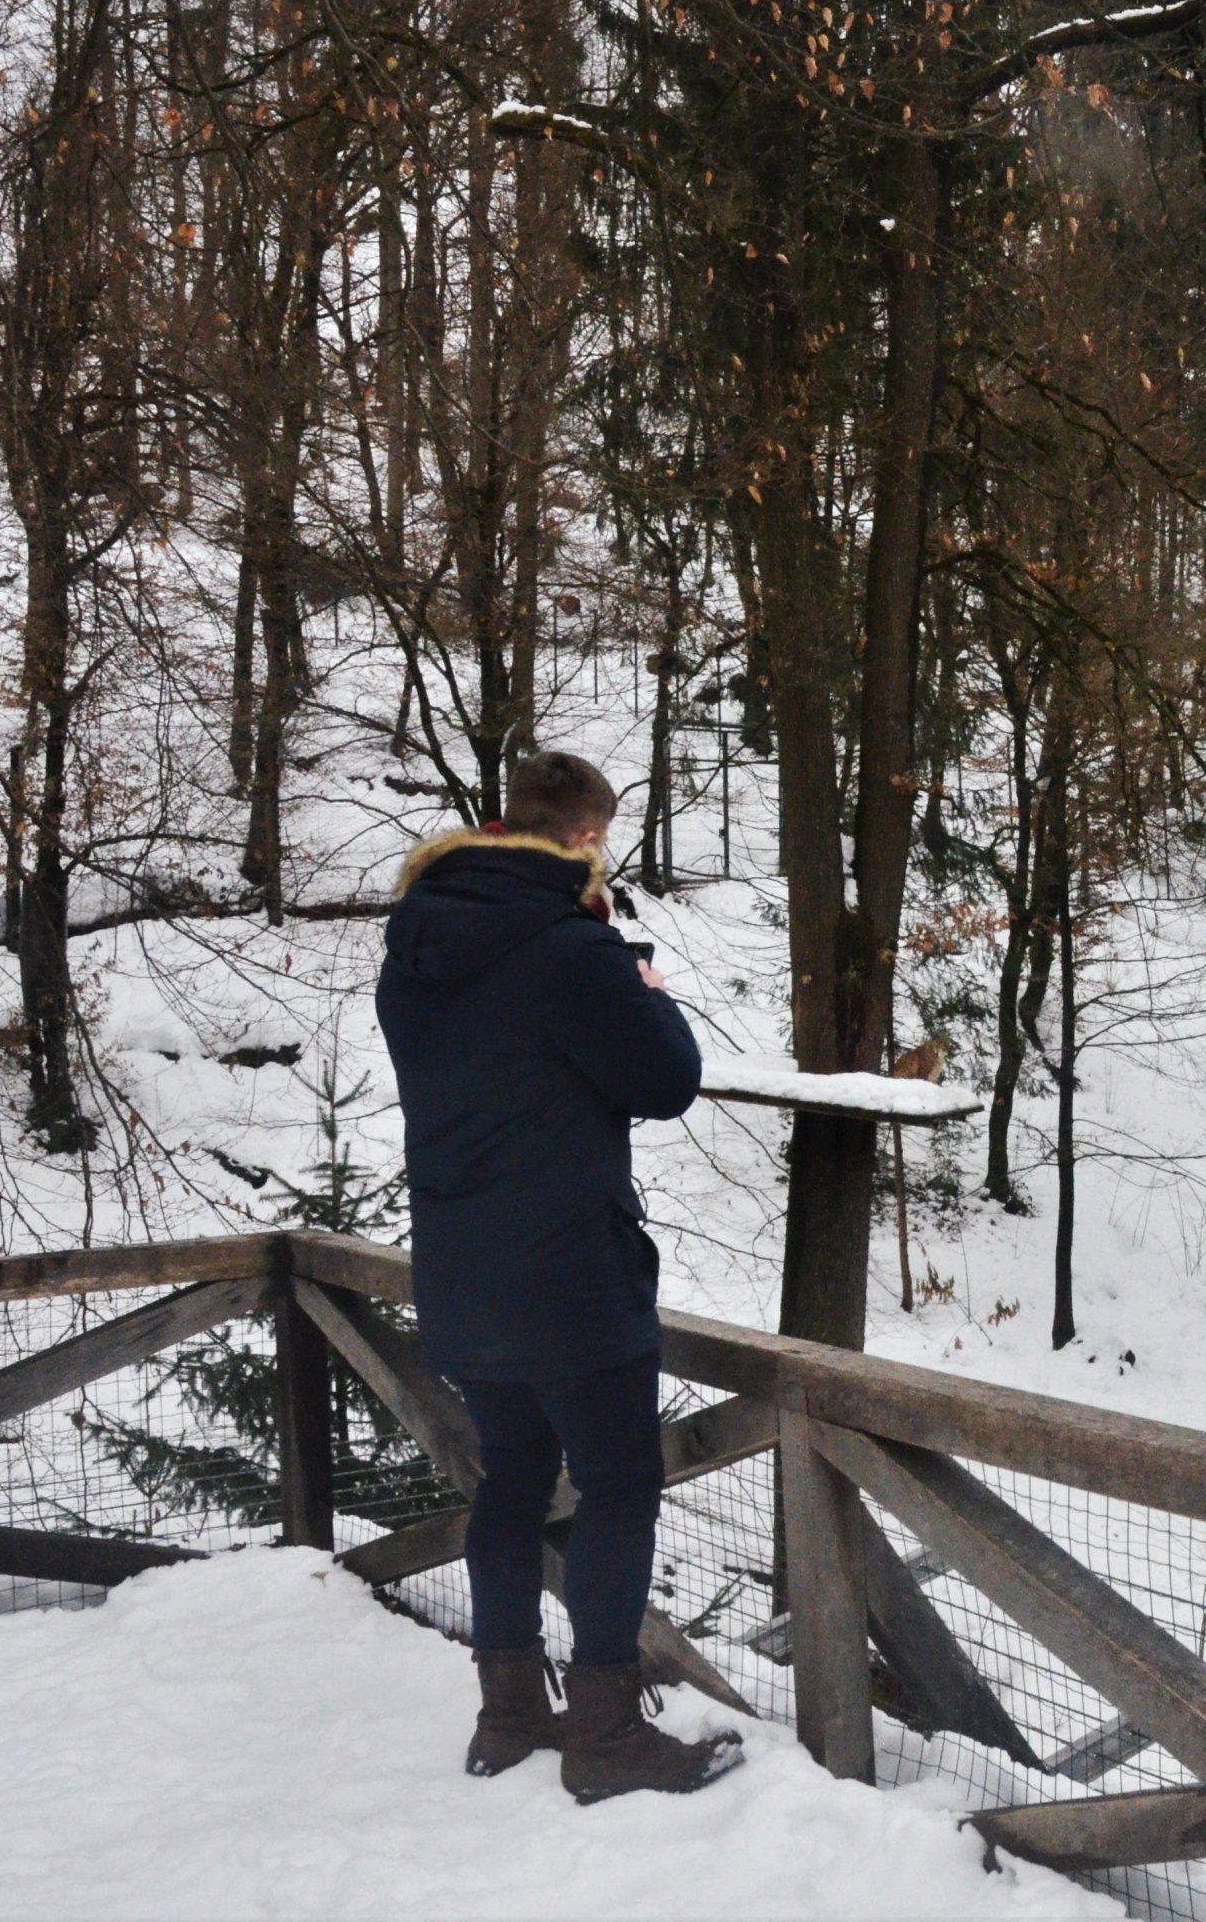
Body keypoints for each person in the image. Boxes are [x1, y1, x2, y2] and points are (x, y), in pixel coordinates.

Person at [376, 750, 742, 1803]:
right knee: (620, 1487)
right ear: (584, 836)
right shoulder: (572, 948)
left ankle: (508, 1718)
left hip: (458, 1265)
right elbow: (666, 1081)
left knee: (512, 1485)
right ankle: (608, 1738)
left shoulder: (416, 941)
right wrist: (641, 980)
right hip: (572, 1271)